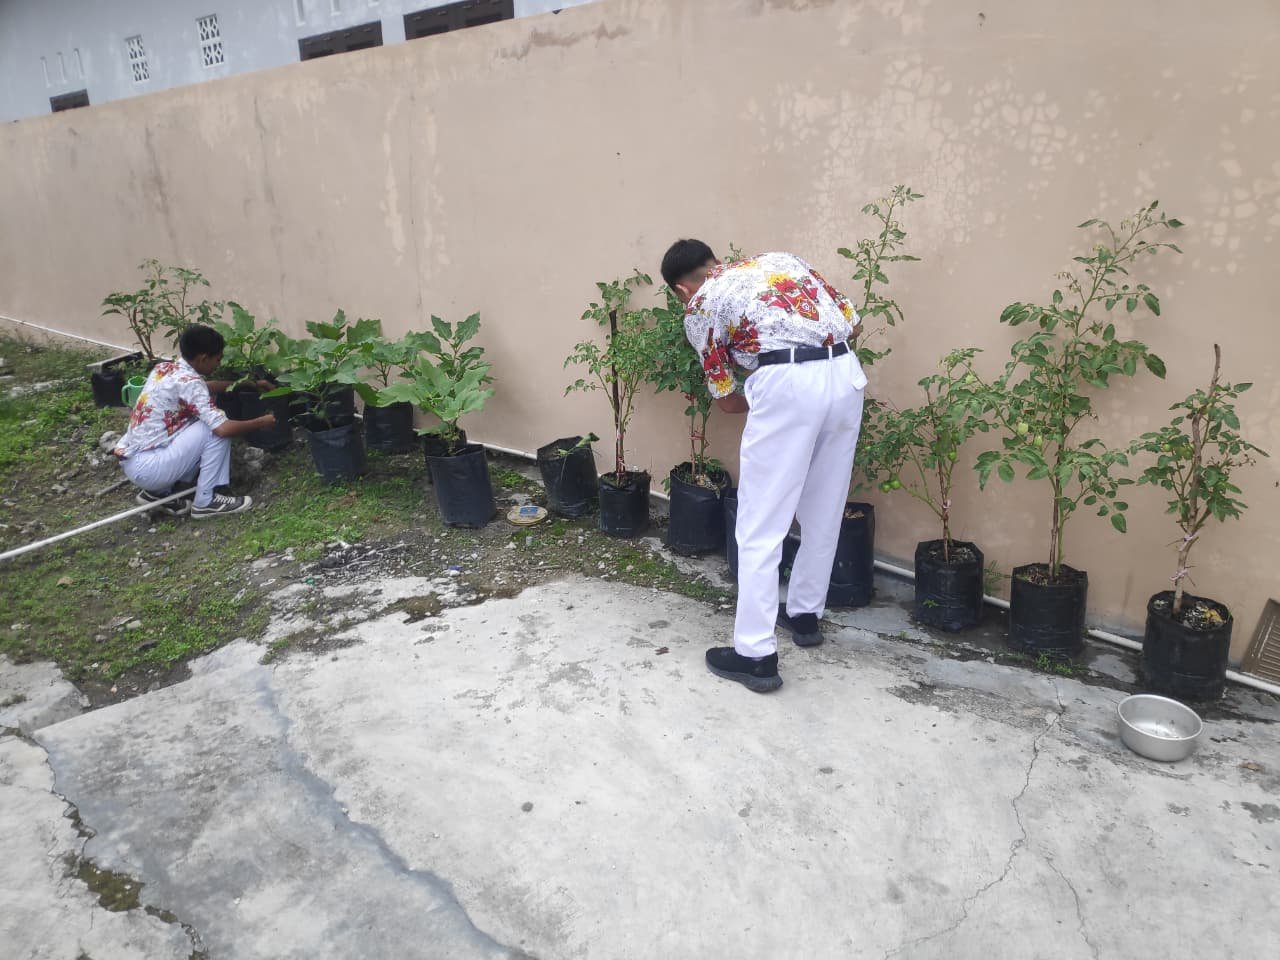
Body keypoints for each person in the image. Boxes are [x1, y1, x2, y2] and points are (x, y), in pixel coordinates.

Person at [661, 241, 867, 693]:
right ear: (714, 261)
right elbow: (852, 319)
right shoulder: (781, 261)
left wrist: (765, 391)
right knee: (825, 505)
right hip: (845, 374)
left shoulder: (700, 305)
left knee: (759, 523)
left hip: (789, 383)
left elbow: (727, 399)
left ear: (680, 288)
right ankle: (805, 616)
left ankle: (755, 655)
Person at [113, 324, 275, 519]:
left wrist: (249, 384)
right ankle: (206, 502)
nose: (219, 363)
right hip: (150, 467)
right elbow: (222, 429)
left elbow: (204, 387)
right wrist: (263, 421)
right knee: (214, 428)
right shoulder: (189, 382)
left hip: (134, 460)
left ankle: (157, 493)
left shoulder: (165, 368)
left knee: (199, 419)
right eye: (218, 358)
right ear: (203, 358)